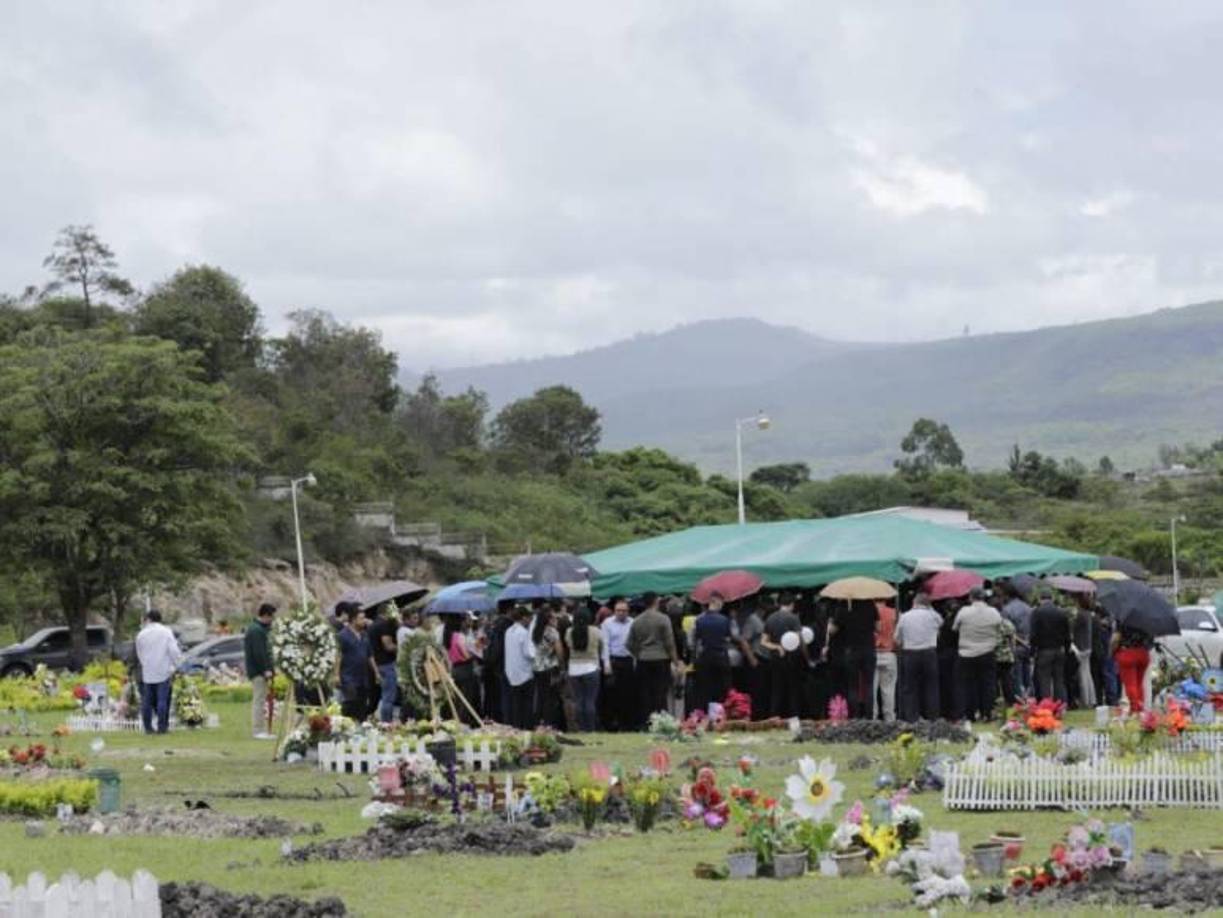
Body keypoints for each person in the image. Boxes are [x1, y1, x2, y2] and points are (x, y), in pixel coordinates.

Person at [627, 592, 679, 724]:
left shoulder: (637, 621)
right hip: (661, 659)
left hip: (643, 660)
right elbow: (669, 643)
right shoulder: (663, 619)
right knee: (660, 693)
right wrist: (675, 661)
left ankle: (646, 722)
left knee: (645, 693)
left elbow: (629, 644)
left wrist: (638, 654)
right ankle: (661, 721)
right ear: (655, 601)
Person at [952, 587, 1001, 721]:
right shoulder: (994, 612)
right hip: (987, 652)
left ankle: (970, 714)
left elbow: (955, 628)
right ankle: (987, 713)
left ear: (970, 597)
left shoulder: (964, 611)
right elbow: (999, 626)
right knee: (988, 684)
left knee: (967, 685)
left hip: (966, 653)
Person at [823, 598, 877, 720]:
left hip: (851, 651)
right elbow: (878, 627)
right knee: (869, 684)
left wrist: (831, 622)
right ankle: (869, 716)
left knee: (853, 686)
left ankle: (855, 716)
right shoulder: (871, 607)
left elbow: (832, 631)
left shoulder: (843, 611)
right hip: (869, 650)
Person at [894, 593, 942, 721]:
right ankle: (932, 717)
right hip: (929, 653)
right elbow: (941, 624)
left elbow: (897, 639)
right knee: (931, 686)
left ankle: (911, 717)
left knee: (910, 687)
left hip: (910, 653)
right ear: (928, 604)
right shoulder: (933, 615)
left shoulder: (904, 616)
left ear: (914, 602)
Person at [135, 610, 181, 735]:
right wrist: (176, 666)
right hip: (163, 670)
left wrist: (146, 664)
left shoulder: (141, 634)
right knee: (162, 700)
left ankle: (148, 727)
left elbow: (139, 653)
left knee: (147, 701)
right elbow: (174, 651)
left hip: (148, 671)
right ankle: (162, 727)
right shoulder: (166, 632)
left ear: (148, 619)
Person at [565, 607, 606, 731]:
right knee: (590, 701)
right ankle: (591, 728)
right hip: (591, 667)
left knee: (578, 700)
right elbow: (602, 647)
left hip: (574, 669)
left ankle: (581, 728)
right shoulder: (596, 631)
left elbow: (567, 645)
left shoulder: (569, 631)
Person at [691, 593, 733, 714]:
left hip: (705, 657)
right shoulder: (724, 620)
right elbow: (728, 638)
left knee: (704, 689)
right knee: (723, 689)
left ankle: (704, 715)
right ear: (717, 603)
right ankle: (722, 715)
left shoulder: (699, 620)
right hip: (721, 657)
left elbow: (694, 641)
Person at [1030, 586, 1071, 703]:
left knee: (1044, 680)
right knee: (1059, 679)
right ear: (1052, 598)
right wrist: (1067, 649)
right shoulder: (1061, 612)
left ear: (1040, 599)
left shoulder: (1037, 612)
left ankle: (1046, 705)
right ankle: (1061, 705)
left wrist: (1032, 651)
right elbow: (1067, 634)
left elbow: (1034, 634)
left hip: (1044, 650)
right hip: (1059, 650)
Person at [601, 598, 636, 730]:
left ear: (628, 611)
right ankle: (612, 724)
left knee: (628, 694)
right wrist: (606, 663)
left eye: (624, 611)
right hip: (614, 661)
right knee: (612, 695)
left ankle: (627, 723)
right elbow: (605, 644)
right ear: (614, 611)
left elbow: (635, 644)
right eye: (618, 610)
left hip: (628, 661)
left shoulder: (633, 623)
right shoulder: (607, 623)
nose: (621, 613)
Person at [243, 603, 276, 739]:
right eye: (271, 617)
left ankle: (261, 728)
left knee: (261, 699)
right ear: (265, 615)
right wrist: (266, 669)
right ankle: (258, 730)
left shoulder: (260, 629)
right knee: (259, 700)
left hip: (260, 671)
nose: (272, 620)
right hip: (258, 672)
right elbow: (259, 653)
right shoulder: (256, 631)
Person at [337, 605, 374, 720]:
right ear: (353, 620)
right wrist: (336, 674)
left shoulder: (364, 635)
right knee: (350, 706)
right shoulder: (342, 636)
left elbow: (369, 655)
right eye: (361, 618)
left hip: (363, 677)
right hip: (348, 677)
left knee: (362, 707)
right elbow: (338, 656)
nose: (364, 621)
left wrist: (376, 672)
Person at [444, 613, 481, 725]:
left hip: (455, 669)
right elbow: (466, 655)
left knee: (458, 700)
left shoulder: (448, 637)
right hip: (465, 669)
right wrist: (476, 651)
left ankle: (456, 723)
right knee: (465, 701)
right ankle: (463, 724)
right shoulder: (459, 636)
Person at [504, 605, 536, 729]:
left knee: (516, 705)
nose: (529, 621)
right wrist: (536, 654)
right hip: (524, 673)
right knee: (527, 705)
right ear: (524, 618)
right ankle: (527, 728)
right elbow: (529, 653)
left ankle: (517, 728)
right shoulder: (523, 632)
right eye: (529, 618)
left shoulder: (508, 631)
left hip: (511, 672)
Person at [532, 606, 564, 729]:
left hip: (537, 667)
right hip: (549, 667)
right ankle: (549, 723)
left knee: (540, 696)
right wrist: (562, 666)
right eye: (554, 617)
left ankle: (539, 723)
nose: (556, 619)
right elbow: (559, 651)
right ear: (548, 619)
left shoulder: (536, 631)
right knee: (550, 698)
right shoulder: (552, 632)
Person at [367, 604, 400, 723]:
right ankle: (387, 723)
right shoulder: (384, 625)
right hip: (386, 664)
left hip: (374, 664)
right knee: (388, 697)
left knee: (375, 696)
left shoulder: (371, 626)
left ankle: (372, 719)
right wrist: (401, 647)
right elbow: (388, 645)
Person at [1001, 582, 1033, 698]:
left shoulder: (1007, 610)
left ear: (1006, 595)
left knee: (1017, 676)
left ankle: (1020, 699)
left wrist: (1020, 642)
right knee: (1028, 675)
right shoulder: (1028, 608)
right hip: (1029, 645)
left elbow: (1007, 631)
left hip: (1015, 646)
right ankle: (1030, 698)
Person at [1112, 624, 1153, 712]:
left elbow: (1116, 638)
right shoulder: (1147, 619)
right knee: (1139, 684)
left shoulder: (1124, 619)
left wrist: (1112, 650)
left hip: (1127, 653)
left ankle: (1134, 708)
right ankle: (1140, 706)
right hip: (1143, 653)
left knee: (1130, 684)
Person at [729, 603, 763, 707]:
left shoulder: (749, 620)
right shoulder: (752, 620)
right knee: (752, 688)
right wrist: (752, 659)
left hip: (748, 657)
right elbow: (743, 640)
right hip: (750, 657)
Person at [1070, 594, 1096, 708]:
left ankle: (1085, 700)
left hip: (1080, 647)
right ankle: (1091, 699)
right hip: (1088, 646)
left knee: (1082, 675)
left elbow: (1073, 628)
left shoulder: (1080, 615)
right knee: (1087, 673)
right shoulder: (1089, 614)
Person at [872, 600, 897, 722]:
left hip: (873, 653)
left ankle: (872, 718)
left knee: (871, 689)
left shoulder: (869, 612)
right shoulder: (895, 613)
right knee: (888, 690)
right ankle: (890, 719)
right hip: (889, 653)